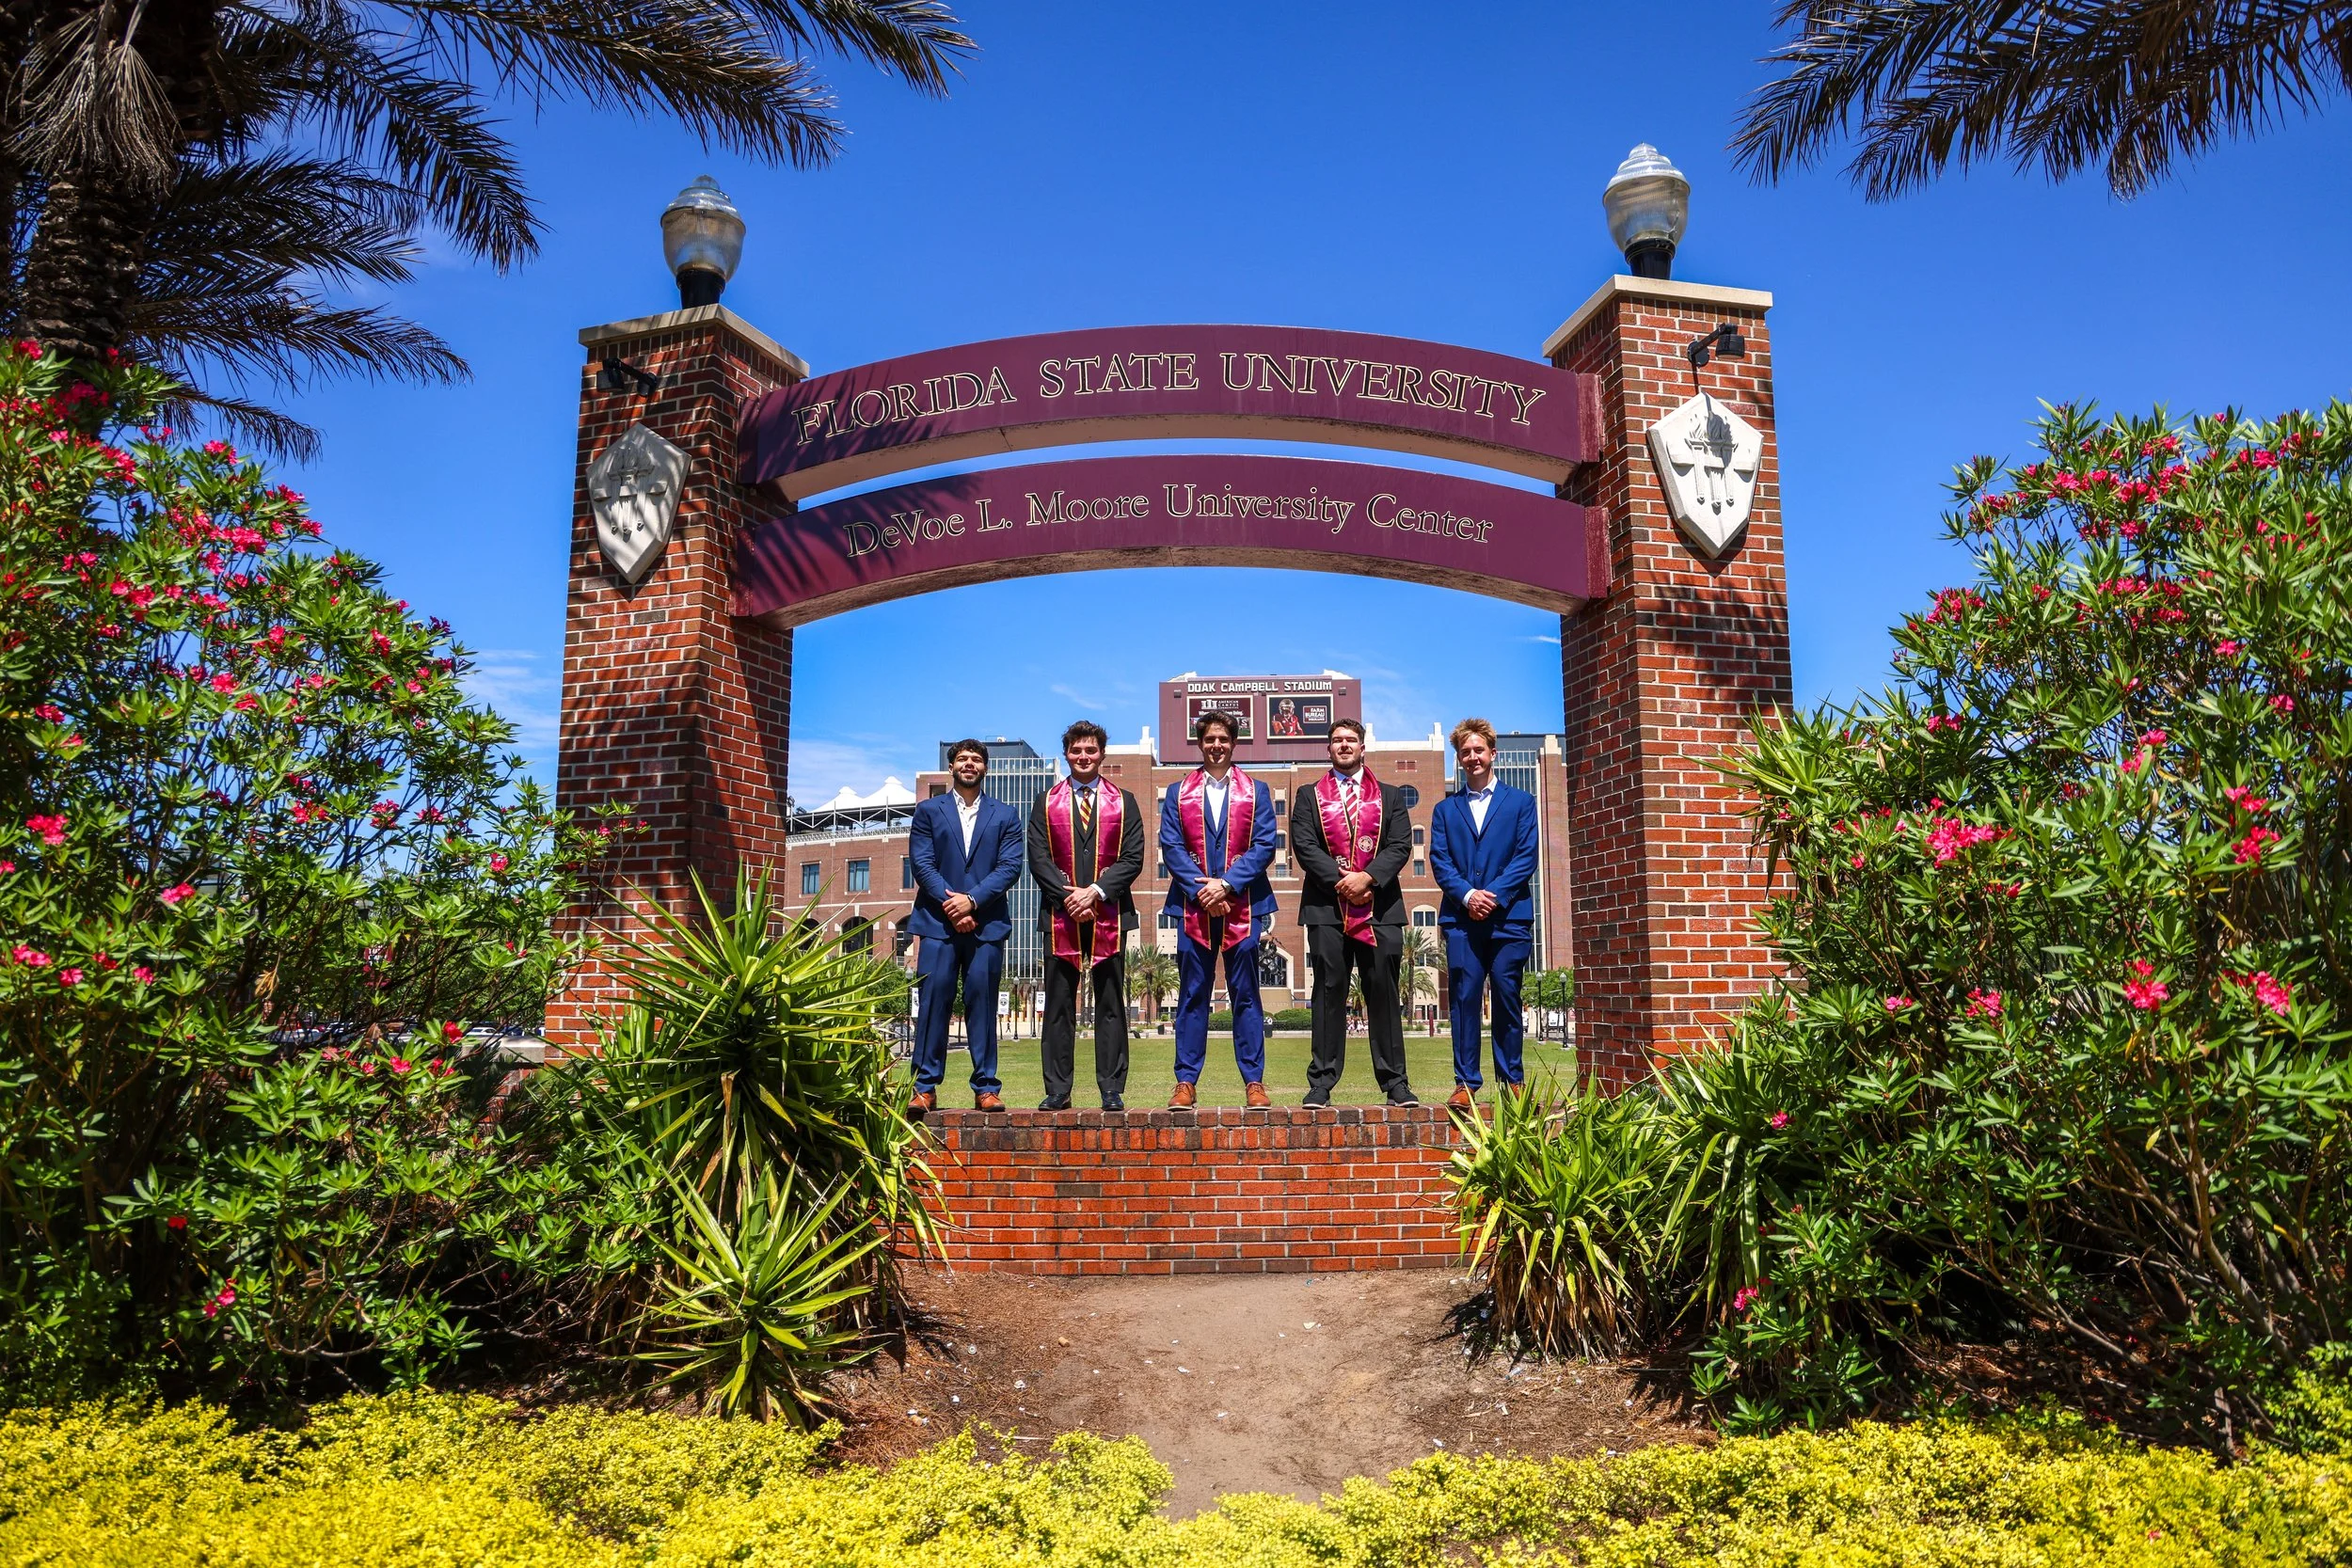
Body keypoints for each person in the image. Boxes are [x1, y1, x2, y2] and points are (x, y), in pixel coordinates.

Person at [1290, 717, 1416, 1106]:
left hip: (1380, 907)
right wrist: (1342, 880)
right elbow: (1304, 845)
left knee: (1383, 991)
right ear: (1328, 749)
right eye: (1337, 741)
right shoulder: (1310, 796)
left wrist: (1368, 879)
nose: (1344, 746)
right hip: (1326, 908)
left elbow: (1400, 845)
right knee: (1328, 992)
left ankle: (1396, 1083)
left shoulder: (1391, 796)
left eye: (1351, 740)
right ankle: (1321, 1083)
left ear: (1363, 747)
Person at [1158, 708, 1279, 1108]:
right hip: (1194, 906)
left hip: (1244, 903)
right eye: (1209, 739)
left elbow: (1264, 845)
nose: (1216, 745)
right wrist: (1203, 889)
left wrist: (1226, 884)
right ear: (1200, 743)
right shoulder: (1178, 792)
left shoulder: (1257, 790)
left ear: (1233, 743)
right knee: (1193, 994)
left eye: (1223, 739)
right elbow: (1171, 847)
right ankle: (1186, 1082)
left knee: (1247, 994)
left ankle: (1254, 1082)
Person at [1027, 720, 1146, 1111]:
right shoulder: (1045, 802)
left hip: (1109, 912)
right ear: (1066, 754)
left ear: (1102, 755)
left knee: (1111, 1004)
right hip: (1059, 914)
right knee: (1059, 1005)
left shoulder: (1124, 801)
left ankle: (1111, 1088)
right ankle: (1058, 1089)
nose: (1083, 757)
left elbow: (1132, 858)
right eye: (1076, 750)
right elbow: (1039, 859)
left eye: (1090, 750)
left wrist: (1094, 892)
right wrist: (1069, 898)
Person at [905, 739, 1025, 1115]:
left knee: (983, 1004)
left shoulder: (1006, 815)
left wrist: (971, 901)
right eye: (962, 759)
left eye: (976, 759)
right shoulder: (928, 811)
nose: (969, 764)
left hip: (985, 924)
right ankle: (924, 1088)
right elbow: (921, 864)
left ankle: (986, 1087)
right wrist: (952, 903)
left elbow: (1010, 867)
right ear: (951, 767)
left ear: (985, 768)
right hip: (938, 924)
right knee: (933, 1002)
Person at [1427, 719, 1540, 1109]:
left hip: (1509, 918)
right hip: (1461, 920)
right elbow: (1440, 861)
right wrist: (1468, 895)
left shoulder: (1522, 803)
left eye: (1479, 750)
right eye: (1465, 752)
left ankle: (1512, 1080)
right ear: (1458, 759)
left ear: (1493, 753)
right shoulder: (1445, 810)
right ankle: (1466, 1082)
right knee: (1464, 999)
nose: (1472, 757)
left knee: (1508, 997)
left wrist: (1491, 895)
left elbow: (1526, 857)